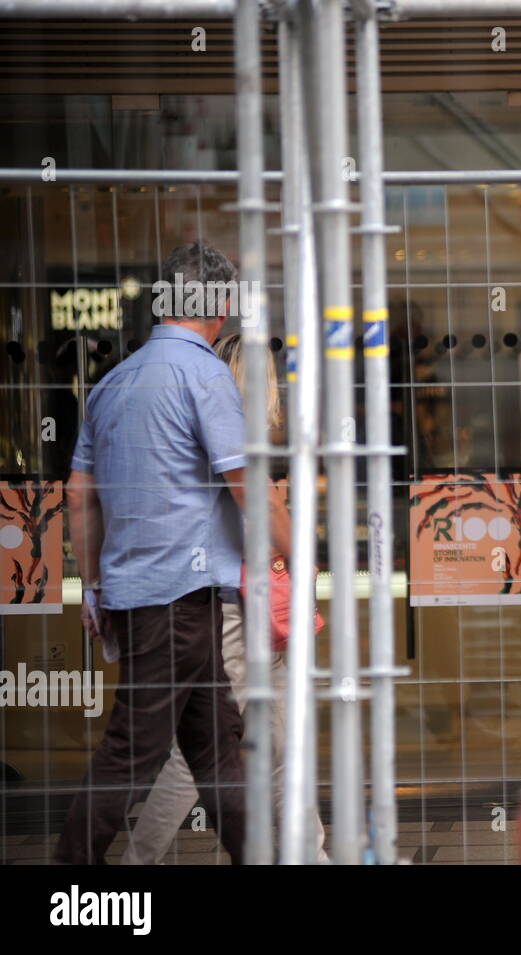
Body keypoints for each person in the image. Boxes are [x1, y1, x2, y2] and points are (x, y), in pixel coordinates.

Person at [55, 241, 293, 864]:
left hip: (143, 599)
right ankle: (67, 872)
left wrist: (95, 588)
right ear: (216, 303)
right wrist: (302, 556)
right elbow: (249, 487)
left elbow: (80, 496)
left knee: (215, 744)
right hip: (179, 601)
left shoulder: (111, 384)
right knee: (133, 748)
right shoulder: (205, 374)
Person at [120, 334, 328, 864]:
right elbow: (263, 511)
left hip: (251, 608)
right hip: (231, 609)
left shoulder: (217, 434)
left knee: (282, 747)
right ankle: (135, 862)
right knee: (199, 755)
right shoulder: (224, 436)